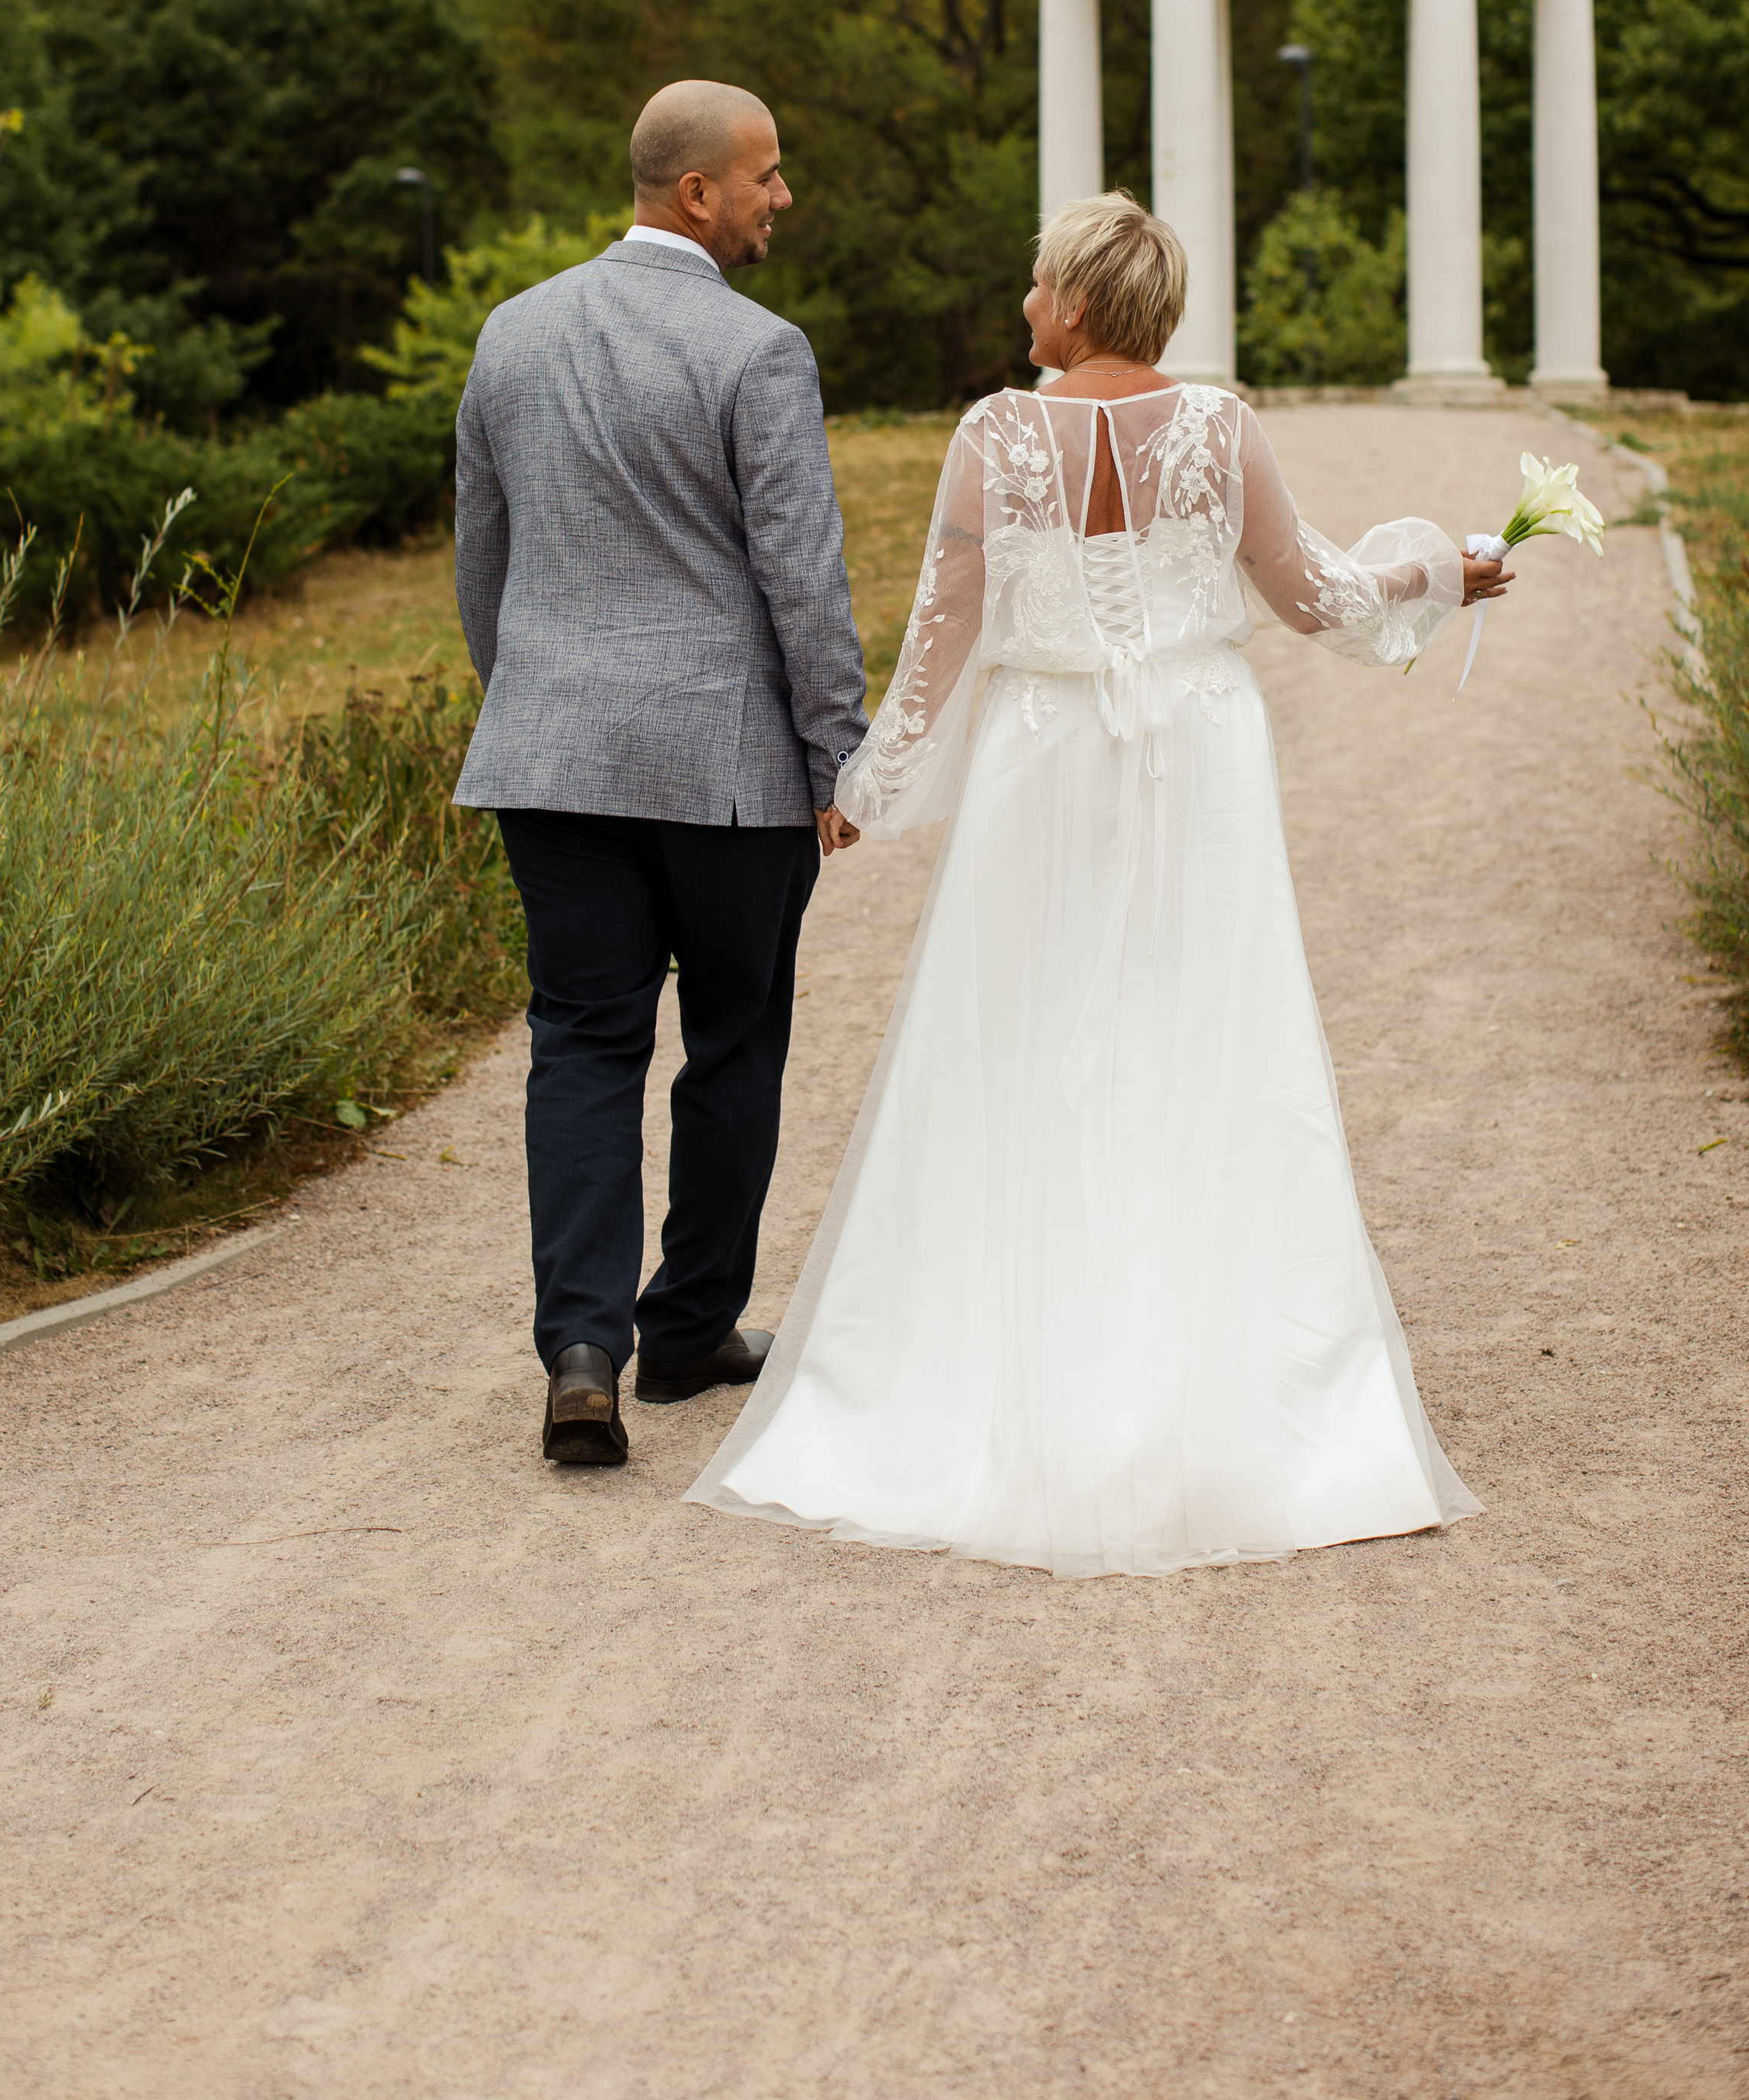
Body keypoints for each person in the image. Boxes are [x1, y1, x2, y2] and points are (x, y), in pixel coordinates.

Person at [689, 190, 1510, 1578]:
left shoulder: (998, 435)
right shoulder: (1219, 425)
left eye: (1036, 283)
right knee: (1205, 1027)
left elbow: (943, 636)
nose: (1024, 303)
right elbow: (1314, 596)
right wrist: (1438, 570)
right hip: (1198, 746)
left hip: (1042, 753)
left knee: (1024, 1032)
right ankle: (1225, 1373)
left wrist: (865, 787)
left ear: (1074, 300)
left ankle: (1013, 1355)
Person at [453, 79, 869, 1471]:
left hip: (552, 758)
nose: (780, 196)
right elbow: (801, 577)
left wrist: (528, 703)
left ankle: (582, 1347)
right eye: (766, 175)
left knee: (581, 1040)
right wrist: (837, 749)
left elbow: (481, 560)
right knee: (734, 1037)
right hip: (728, 772)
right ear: (697, 193)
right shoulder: (759, 352)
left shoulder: (512, 333)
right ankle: (690, 1326)